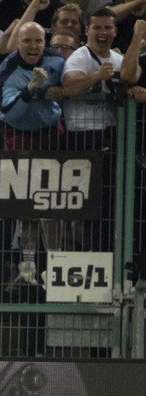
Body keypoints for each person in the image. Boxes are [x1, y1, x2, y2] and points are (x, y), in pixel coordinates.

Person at [0, 21, 68, 287]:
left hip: (52, 136)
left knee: (55, 203)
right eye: (27, 41)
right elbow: (10, 111)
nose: (33, 46)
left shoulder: (56, 60)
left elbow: (70, 79)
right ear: (17, 44)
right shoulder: (7, 72)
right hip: (19, 137)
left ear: (44, 41)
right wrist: (31, 89)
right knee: (27, 204)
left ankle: (56, 266)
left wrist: (61, 89)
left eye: (38, 41)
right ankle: (28, 265)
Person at [61, 7, 123, 252]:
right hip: (82, 138)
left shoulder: (119, 60)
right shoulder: (79, 56)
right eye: (97, 27)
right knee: (84, 207)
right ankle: (83, 256)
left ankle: (107, 257)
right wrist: (96, 77)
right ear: (87, 30)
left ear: (115, 31)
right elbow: (70, 86)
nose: (103, 32)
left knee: (109, 206)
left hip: (112, 136)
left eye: (108, 27)